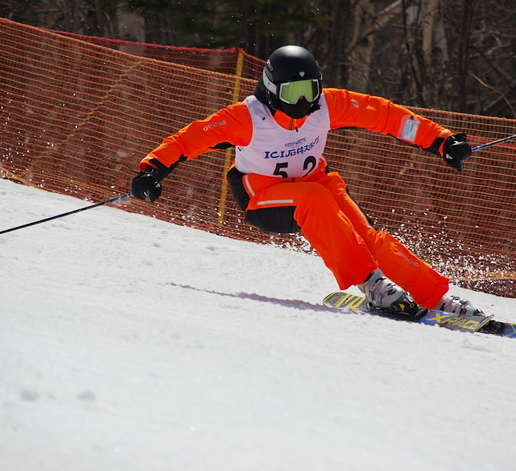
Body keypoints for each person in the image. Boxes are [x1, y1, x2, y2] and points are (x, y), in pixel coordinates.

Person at [131, 45, 476, 320]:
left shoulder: (326, 106)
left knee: (367, 236)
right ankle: (373, 285)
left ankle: (435, 296)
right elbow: (190, 139)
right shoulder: (247, 117)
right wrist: (152, 170)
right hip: (263, 198)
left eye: (308, 91)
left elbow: (385, 115)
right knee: (314, 196)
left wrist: (441, 141)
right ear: (271, 90)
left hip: (316, 186)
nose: (301, 102)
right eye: (292, 92)